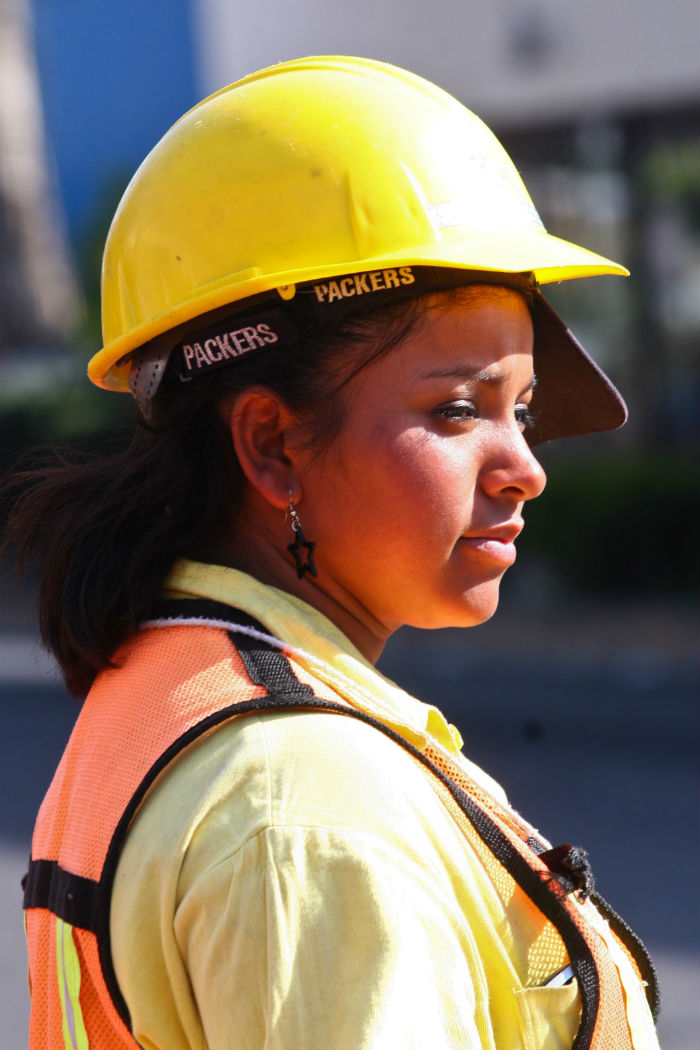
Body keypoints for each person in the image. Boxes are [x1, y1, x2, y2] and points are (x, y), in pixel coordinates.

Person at [10, 56, 661, 1050]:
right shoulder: (307, 808)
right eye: (456, 409)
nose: (524, 466)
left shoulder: (165, 688)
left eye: (522, 412)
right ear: (272, 444)